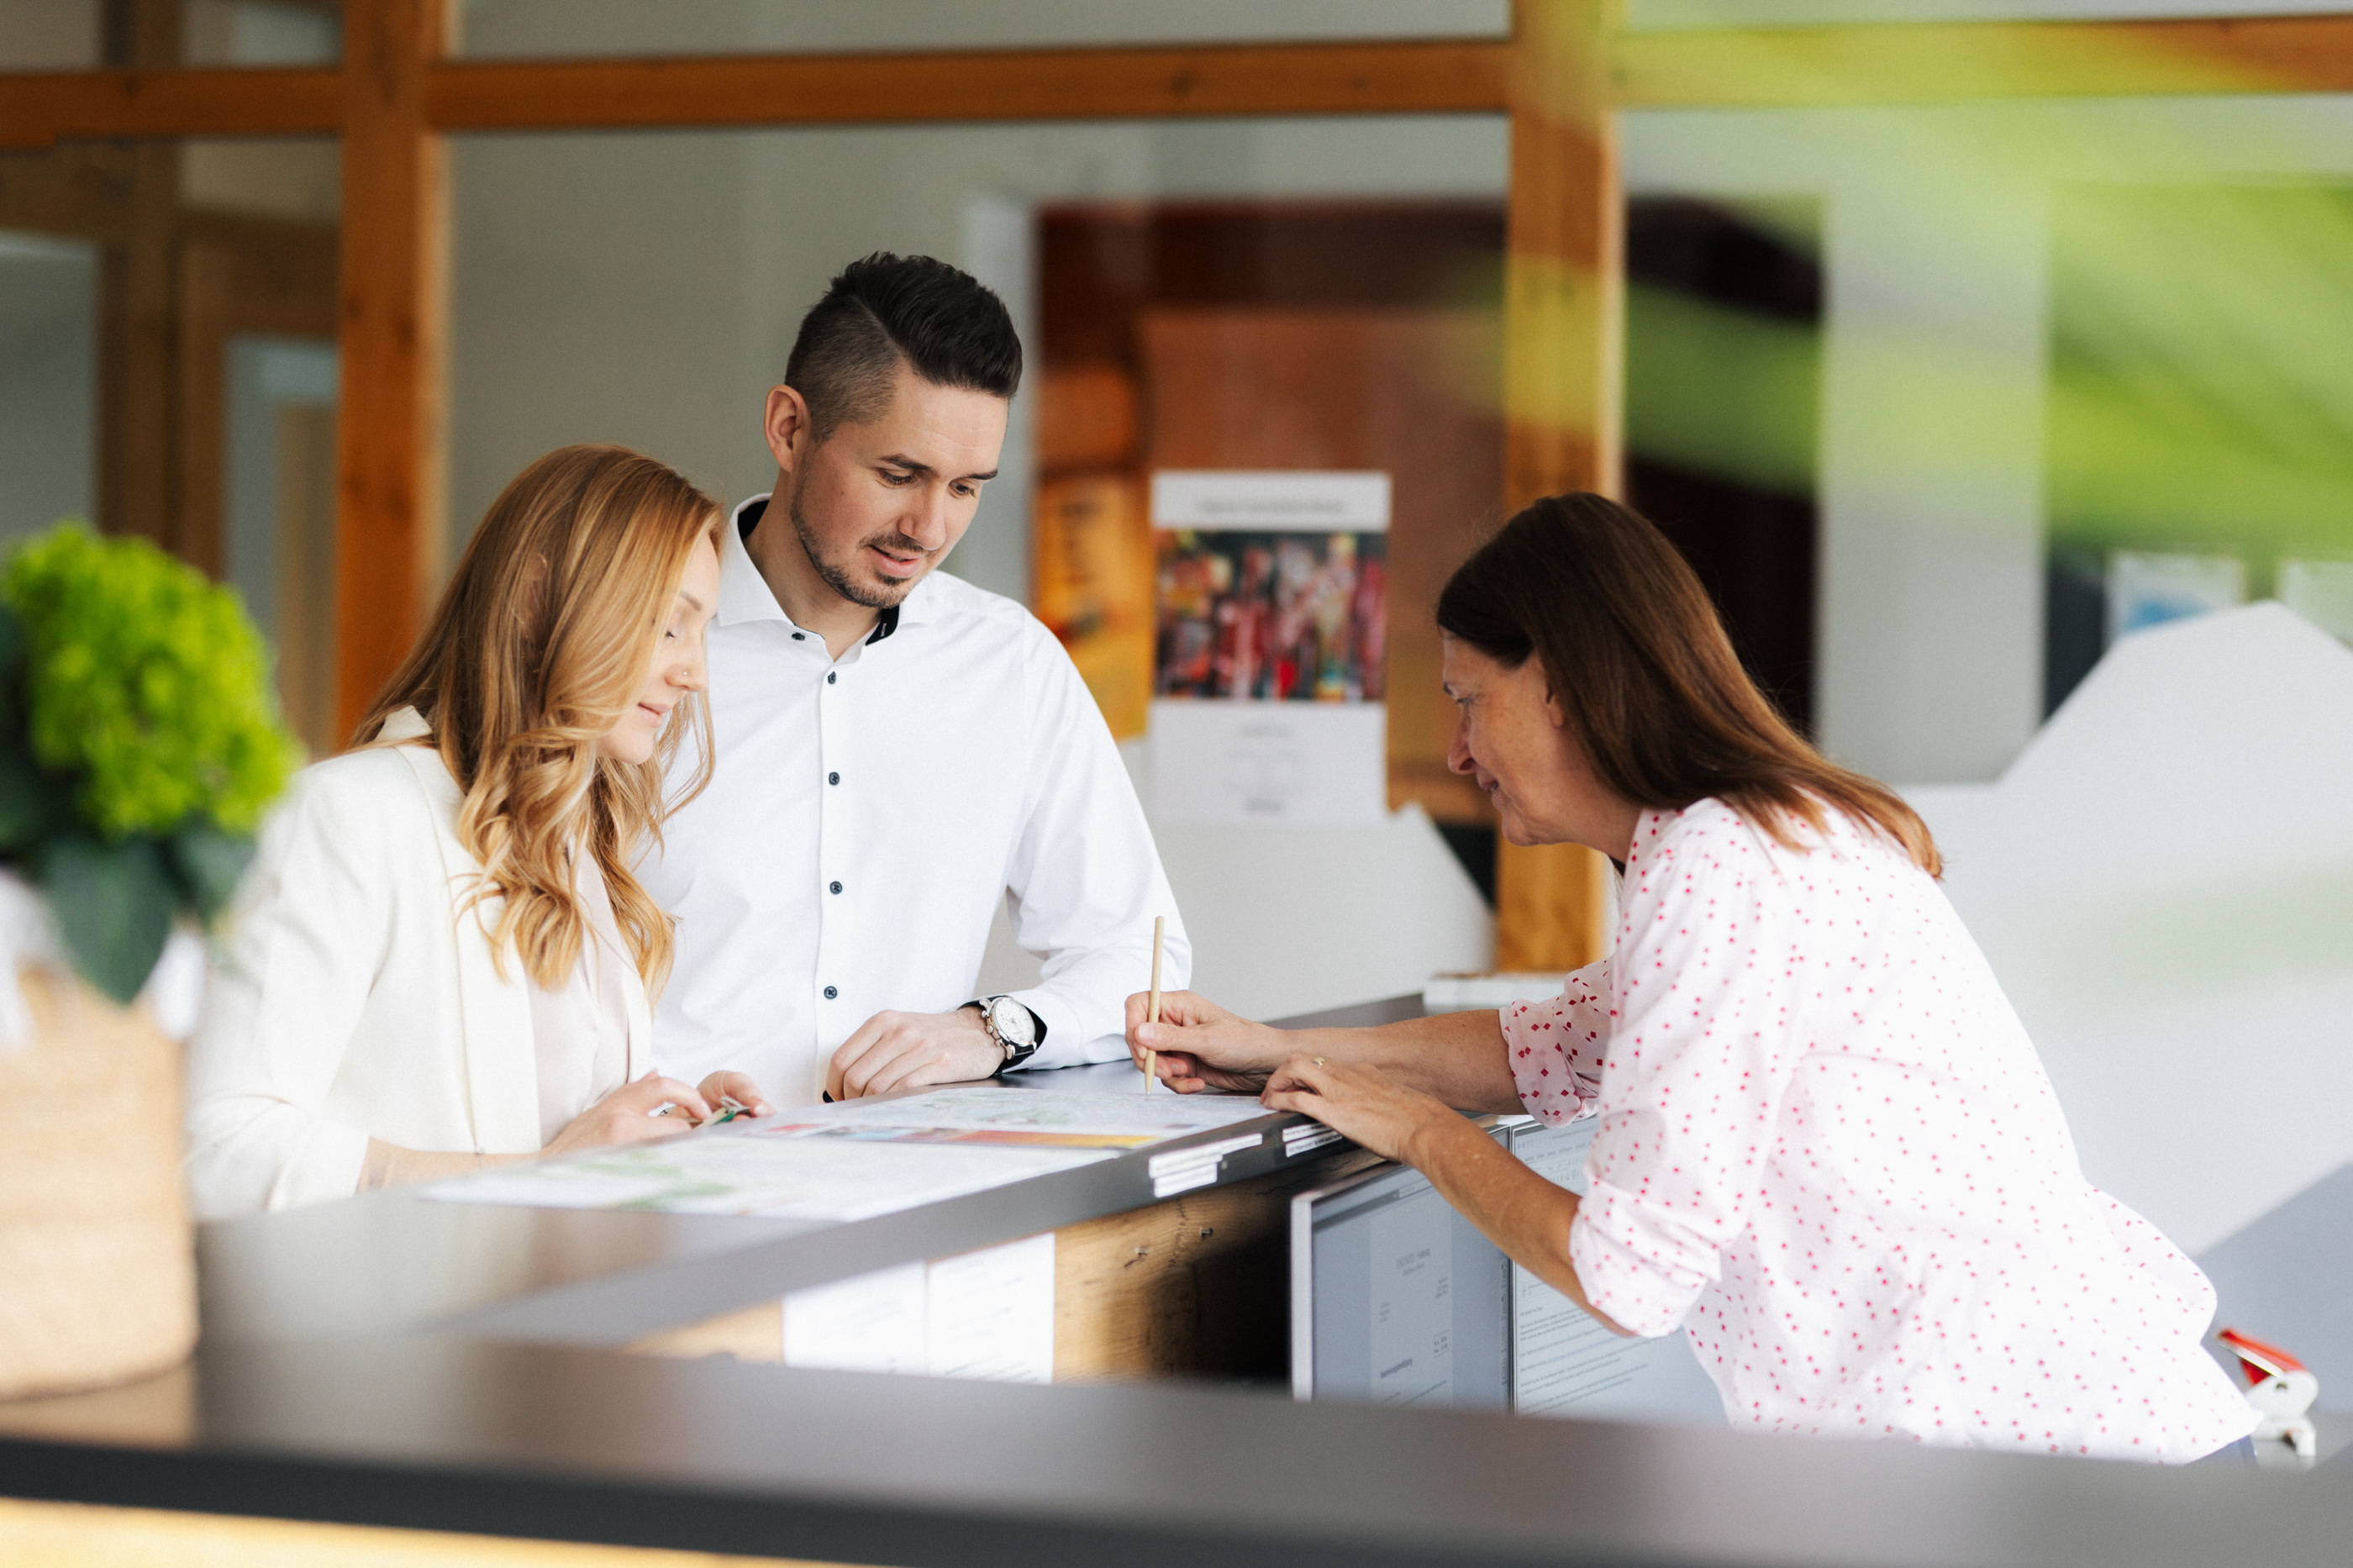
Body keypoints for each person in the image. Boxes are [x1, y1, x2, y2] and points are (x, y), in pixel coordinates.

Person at [1128, 492, 2257, 1463]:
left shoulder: (1720, 863)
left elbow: (1630, 1274)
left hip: (2044, 1477)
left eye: (1471, 701)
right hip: (2083, 1455)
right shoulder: (1754, 838)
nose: (1461, 752)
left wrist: (1418, 1130)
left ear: (1562, 682)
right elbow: (1556, 1046)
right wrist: (1282, 1051)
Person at [640, 252, 1184, 1107]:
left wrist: (989, 1029)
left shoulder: (1012, 665)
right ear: (788, 429)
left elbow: (1136, 960)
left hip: (907, 1200)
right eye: (898, 475)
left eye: (966, 487)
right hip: (649, 1196)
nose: (929, 528)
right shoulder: (629, 645)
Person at [186, 445, 771, 1218]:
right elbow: (213, 1148)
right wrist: (537, 1174)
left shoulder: (584, 854)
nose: (694, 672)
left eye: (701, 633)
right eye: (667, 626)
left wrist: (665, 1124)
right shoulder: (343, 817)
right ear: (535, 598)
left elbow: (540, 1118)